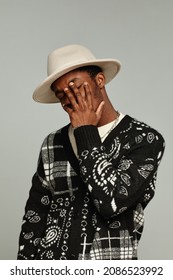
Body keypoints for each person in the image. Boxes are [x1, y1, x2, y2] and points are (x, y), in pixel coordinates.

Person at [17, 44, 165, 260]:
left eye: (75, 87)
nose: (69, 98)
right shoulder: (53, 143)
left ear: (100, 81)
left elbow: (111, 203)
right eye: (61, 95)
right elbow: (35, 217)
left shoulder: (143, 139)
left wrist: (86, 131)